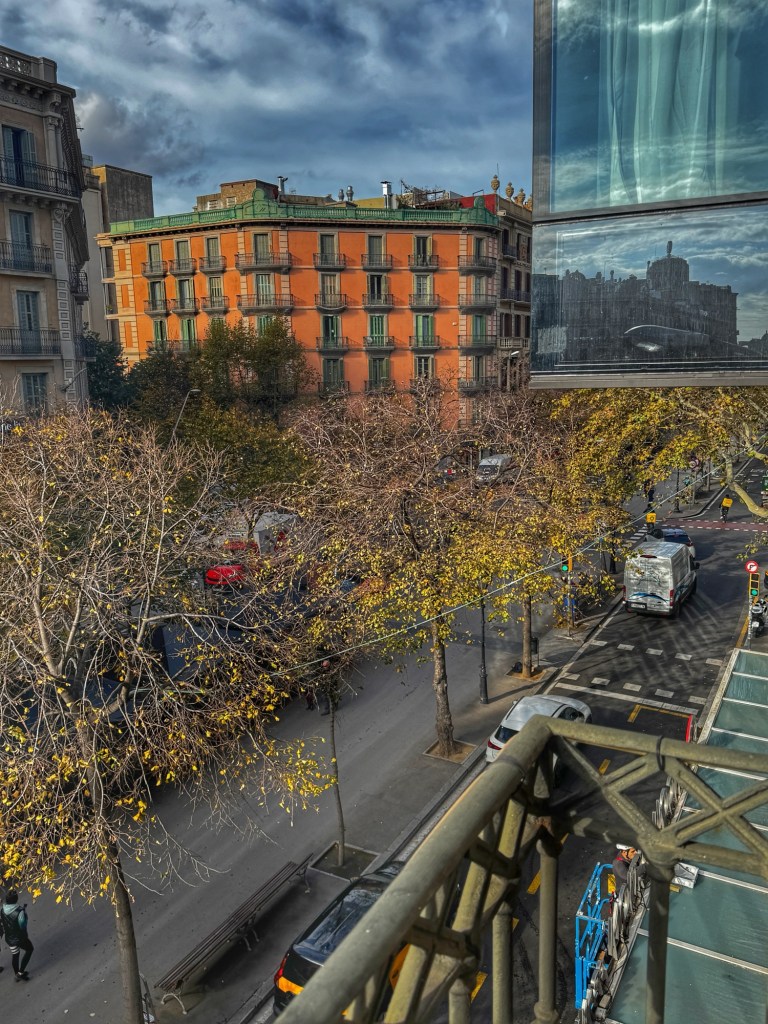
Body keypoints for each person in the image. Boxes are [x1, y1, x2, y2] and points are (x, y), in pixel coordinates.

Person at [0, 889, 33, 980]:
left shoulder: (2, 910)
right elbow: (23, 925)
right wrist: (24, 914)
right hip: (20, 938)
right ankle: (20, 973)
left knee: (15, 954)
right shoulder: (19, 911)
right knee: (29, 949)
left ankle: (16, 974)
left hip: (9, 939)